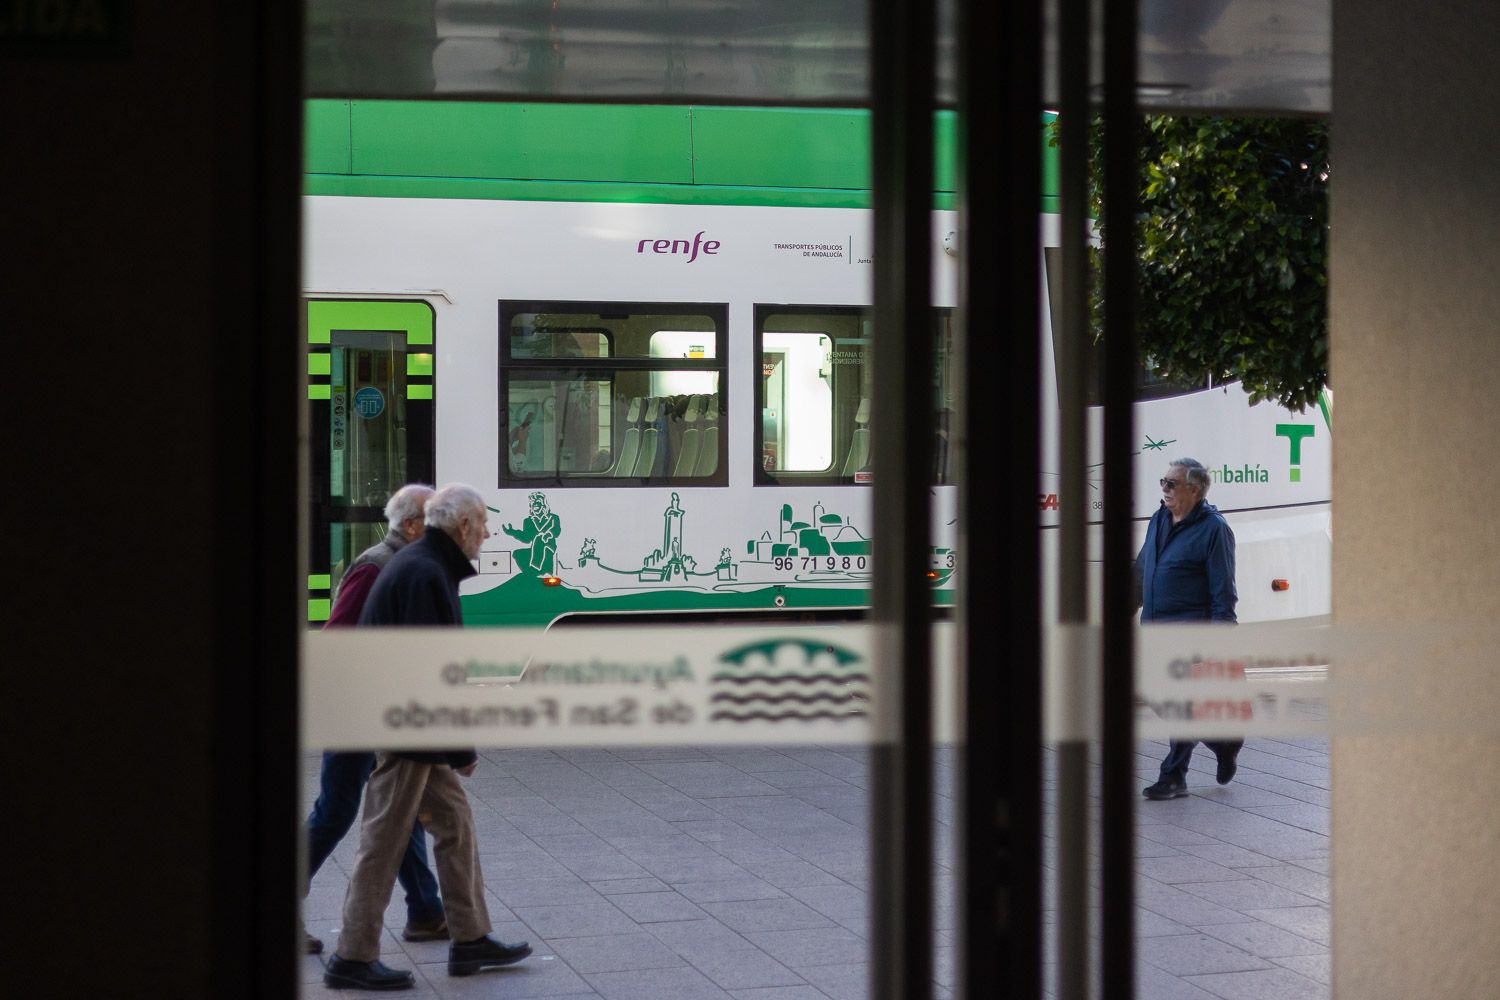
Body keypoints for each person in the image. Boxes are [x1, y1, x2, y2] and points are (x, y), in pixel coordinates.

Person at [323, 484, 531, 992]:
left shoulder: (426, 564)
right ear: (462, 527)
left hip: (410, 726)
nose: (487, 533)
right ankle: (351, 955)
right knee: (382, 841)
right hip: (405, 729)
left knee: (454, 823)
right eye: (482, 524)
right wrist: (459, 749)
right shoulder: (425, 572)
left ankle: (470, 938)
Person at [303, 485, 444, 956]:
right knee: (336, 811)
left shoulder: (406, 565)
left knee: (400, 807)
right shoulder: (375, 566)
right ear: (411, 526)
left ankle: (425, 911)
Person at [1136, 458, 1243, 801]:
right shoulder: (1159, 518)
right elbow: (1142, 570)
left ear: (1193, 490)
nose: (1163, 489)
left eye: (1171, 483)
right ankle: (1222, 742)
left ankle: (1173, 776)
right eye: (1162, 482)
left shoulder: (1214, 530)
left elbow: (1223, 592)